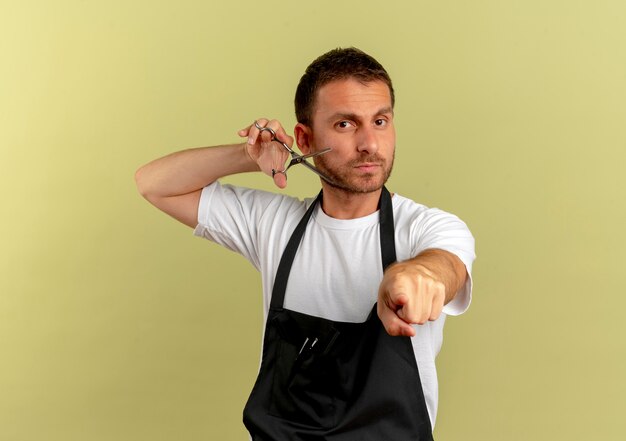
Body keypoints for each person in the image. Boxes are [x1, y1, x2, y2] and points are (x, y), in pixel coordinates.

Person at [135, 47, 475, 440]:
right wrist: (250, 156)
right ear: (305, 137)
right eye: (346, 125)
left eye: (380, 121)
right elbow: (154, 184)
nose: (370, 143)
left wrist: (414, 276)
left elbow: (443, 266)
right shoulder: (273, 224)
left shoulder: (427, 228)